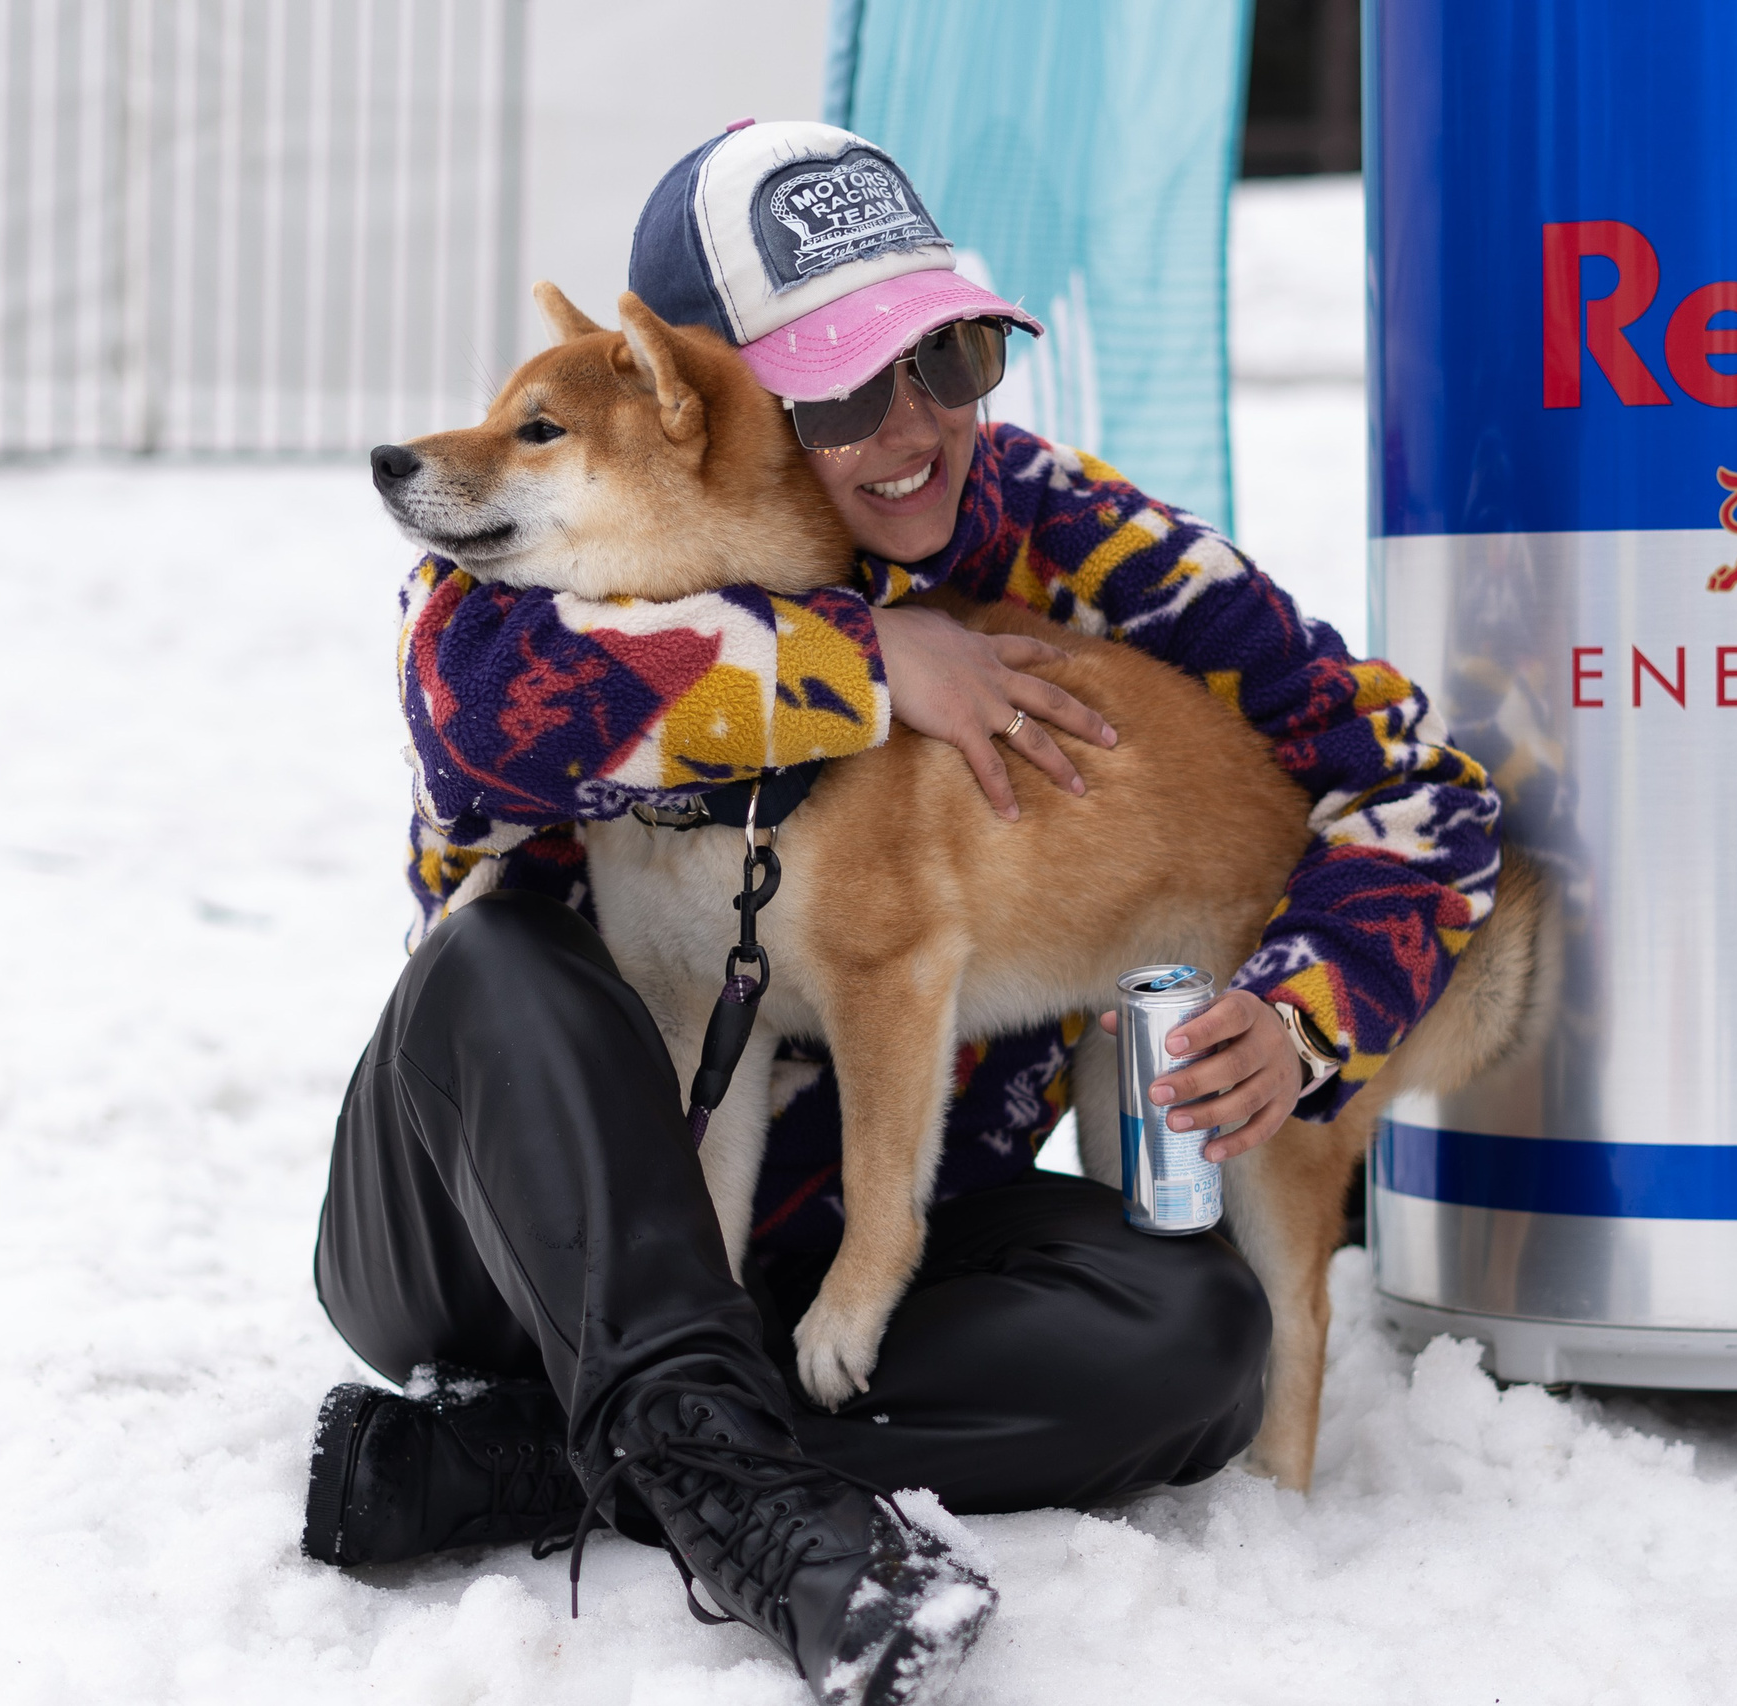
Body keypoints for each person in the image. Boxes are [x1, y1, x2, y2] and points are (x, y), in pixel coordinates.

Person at [301, 121, 1501, 1706]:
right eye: (849, 389)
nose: (917, 425)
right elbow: (487, 719)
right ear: (697, 408)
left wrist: (1294, 1012)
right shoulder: (526, 570)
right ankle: (688, 1452)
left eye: (948, 357)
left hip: (832, 1287)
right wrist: (868, 668)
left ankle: (572, 1459)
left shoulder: (1048, 529)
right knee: (504, 951)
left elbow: (1424, 789)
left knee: (1193, 1330)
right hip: (490, 1237)